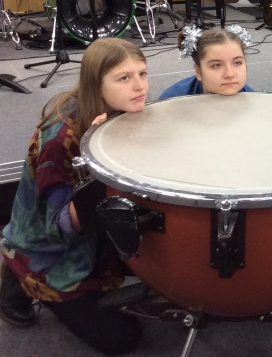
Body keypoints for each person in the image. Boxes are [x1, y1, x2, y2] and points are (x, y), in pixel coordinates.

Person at [0, 38, 147, 354]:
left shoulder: (121, 109)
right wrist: (98, 166)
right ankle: (18, 272)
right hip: (52, 248)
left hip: (95, 228)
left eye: (142, 74)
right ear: (96, 84)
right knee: (122, 339)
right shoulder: (60, 140)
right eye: (124, 78)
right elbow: (59, 226)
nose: (139, 86)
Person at [160, 25, 254, 99]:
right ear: (199, 72)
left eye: (237, 63)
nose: (230, 74)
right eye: (216, 65)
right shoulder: (172, 102)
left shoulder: (253, 98)